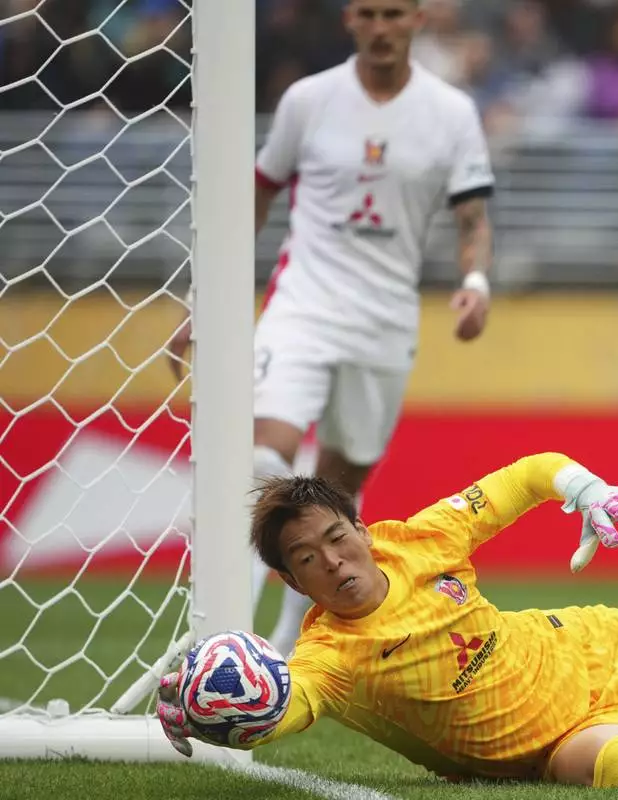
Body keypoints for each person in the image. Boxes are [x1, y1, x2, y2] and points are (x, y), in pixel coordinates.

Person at [156, 452, 618, 787]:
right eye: (308, 559)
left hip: (581, 647)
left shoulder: (424, 536)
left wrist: (586, 490)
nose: (334, 563)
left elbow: (530, 474)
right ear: (290, 581)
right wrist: (210, 710)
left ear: (361, 529)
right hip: (556, 743)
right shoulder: (329, 659)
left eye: (338, 538)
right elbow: (286, 707)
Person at [167, 0, 497, 656]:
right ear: (350, 20)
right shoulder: (309, 100)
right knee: (265, 454)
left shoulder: (451, 113)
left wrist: (476, 283)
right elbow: (256, 193)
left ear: (417, 20)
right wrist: (204, 296)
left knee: (339, 494)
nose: (381, 27)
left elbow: (472, 217)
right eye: (369, 13)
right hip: (303, 304)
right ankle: (229, 625)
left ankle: (291, 644)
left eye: (394, 13)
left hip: (385, 321)